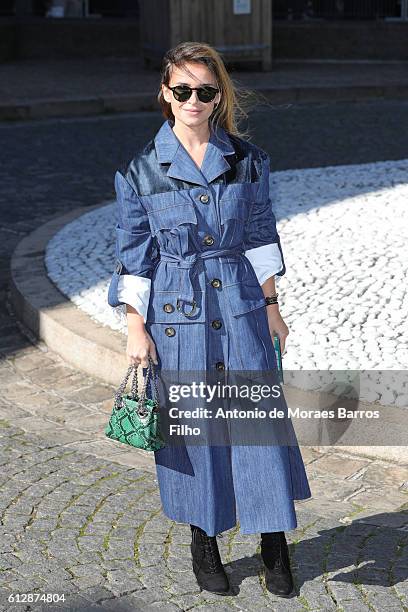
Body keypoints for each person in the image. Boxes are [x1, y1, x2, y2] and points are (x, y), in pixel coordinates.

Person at [107, 41, 312, 598]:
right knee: (194, 433)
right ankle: (205, 542)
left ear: (219, 96)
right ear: (165, 94)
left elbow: (261, 234)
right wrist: (134, 327)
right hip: (176, 318)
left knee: (257, 428)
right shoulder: (141, 171)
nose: (193, 99)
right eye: (183, 90)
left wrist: (273, 308)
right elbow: (134, 255)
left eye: (205, 90)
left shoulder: (248, 159)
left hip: (243, 310)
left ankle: (274, 543)